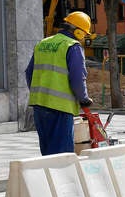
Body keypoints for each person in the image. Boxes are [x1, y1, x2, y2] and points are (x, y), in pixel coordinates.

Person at [25, 11, 94, 156]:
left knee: (48, 152)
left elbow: (29, 73)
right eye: (84, 34)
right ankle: (63, 179)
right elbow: (77, 78)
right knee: (62, 155)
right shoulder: (72, 46)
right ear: (78, 32)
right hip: (60, 108)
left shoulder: (43, 44)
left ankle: (48, 178)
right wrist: (84, 99)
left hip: (39, 107)